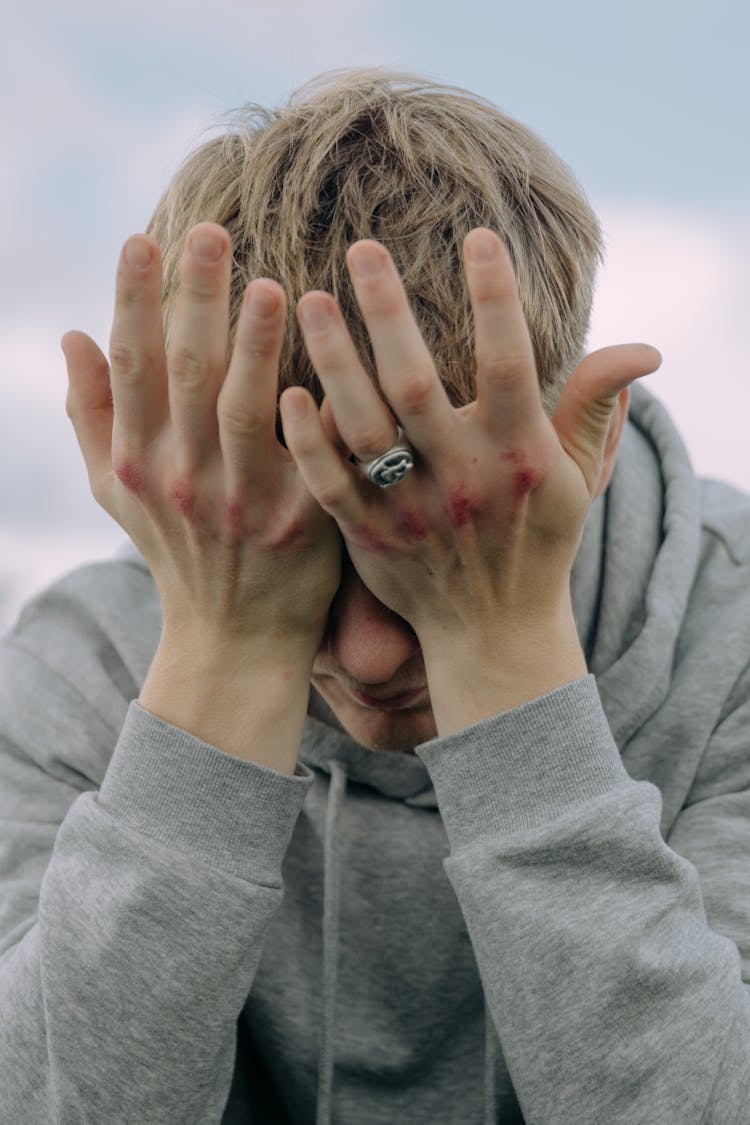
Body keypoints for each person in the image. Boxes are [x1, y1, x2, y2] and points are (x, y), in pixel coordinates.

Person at [0, 67, 748, 1125]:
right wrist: (224, 654)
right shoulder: (81, 669)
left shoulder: (733, 633)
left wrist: (504, 651)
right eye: (292, 561)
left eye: (431, 542)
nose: (370, 658)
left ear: (593, 439)